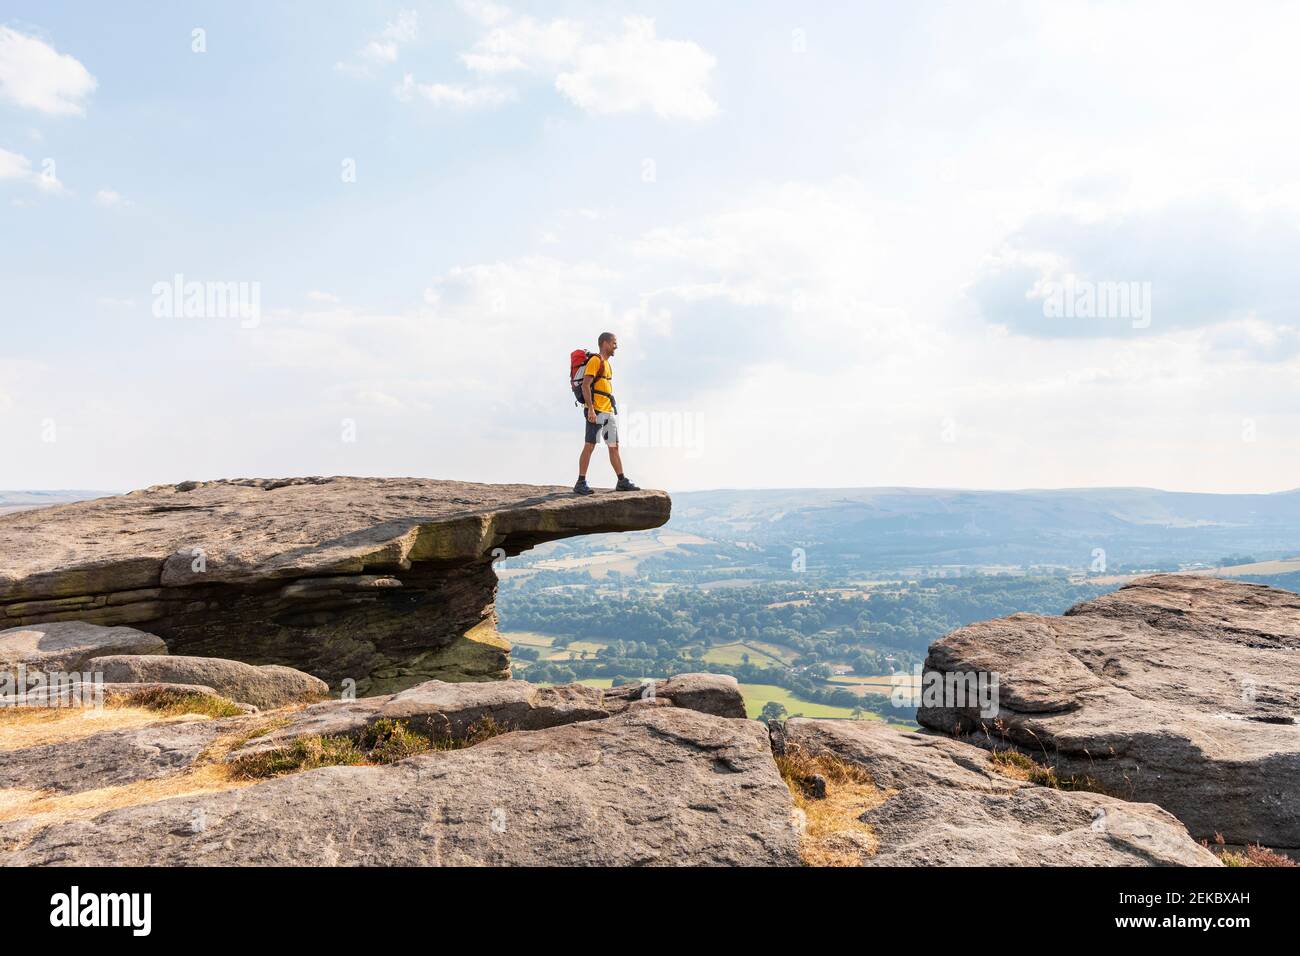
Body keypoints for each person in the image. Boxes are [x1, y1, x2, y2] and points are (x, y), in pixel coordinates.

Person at [575, 332, 640, 495]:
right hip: (596, 410)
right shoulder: (595, 361)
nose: (616, 346)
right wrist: (590, 408)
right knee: (590, 445)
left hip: (607, 411)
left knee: (614, 447)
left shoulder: (607, 364)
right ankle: (580, 482)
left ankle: (621, 480)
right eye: (614, 343)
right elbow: (585, 385)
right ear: (605, 343)